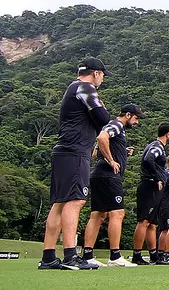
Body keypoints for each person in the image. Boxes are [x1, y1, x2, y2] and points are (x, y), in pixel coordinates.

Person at [40, 57, 112, 270]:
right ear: (96, 73)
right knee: (75, 200)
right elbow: (103, 117)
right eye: (102, 75)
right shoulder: (86, 88)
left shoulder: (73, 87)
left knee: (60, 203)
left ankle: (49, 256)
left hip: (64, 151)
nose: (102, 80)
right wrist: (102, 108)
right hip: (75, 152)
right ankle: (71, 255)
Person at [82, 104, 144, 268]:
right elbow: (102, 138)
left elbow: (95, 154)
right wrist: (111, 160)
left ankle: (87, 255)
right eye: (136, 118)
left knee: (98, 215)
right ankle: (115, 256)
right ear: (128, 115)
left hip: (99, 175)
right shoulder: (116, 124)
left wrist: (122, 151)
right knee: (117, 213)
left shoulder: (117, 129)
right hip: (108, 175)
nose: (137, 122)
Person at [132, 122, 169, 265]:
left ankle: (154, 255)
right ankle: (136, 255)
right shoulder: (156, 147)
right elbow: (148, 159)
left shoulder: (158, 147)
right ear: (168, 134)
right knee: (144, 221)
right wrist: (157, 177)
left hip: (155, 188)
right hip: (149, 185)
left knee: (152, 223)